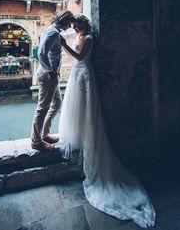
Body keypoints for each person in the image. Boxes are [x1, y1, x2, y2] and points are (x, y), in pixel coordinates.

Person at [59, 14, 156, 228]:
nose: (73, 29)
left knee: (90, 118)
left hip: (84, 75)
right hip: (76, 76)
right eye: (73, 26)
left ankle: (93, 159)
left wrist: (64, 45)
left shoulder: (90, 38)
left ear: (83, 26)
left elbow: (78, 56)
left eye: (76, 26)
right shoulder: (79, 35)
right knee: (77, 114)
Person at [31, 10, 75, 151]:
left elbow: (66, 36)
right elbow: (41, 53)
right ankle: (36, 141)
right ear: (65, 21)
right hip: (47, 75)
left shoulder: (54, 30)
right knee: (43, 107)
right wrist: (50, 70)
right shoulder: (53, 32)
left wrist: (80, 32)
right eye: (69, 23)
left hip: (52, 75)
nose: (70, 26)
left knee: (57, 104)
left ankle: (45, 134)